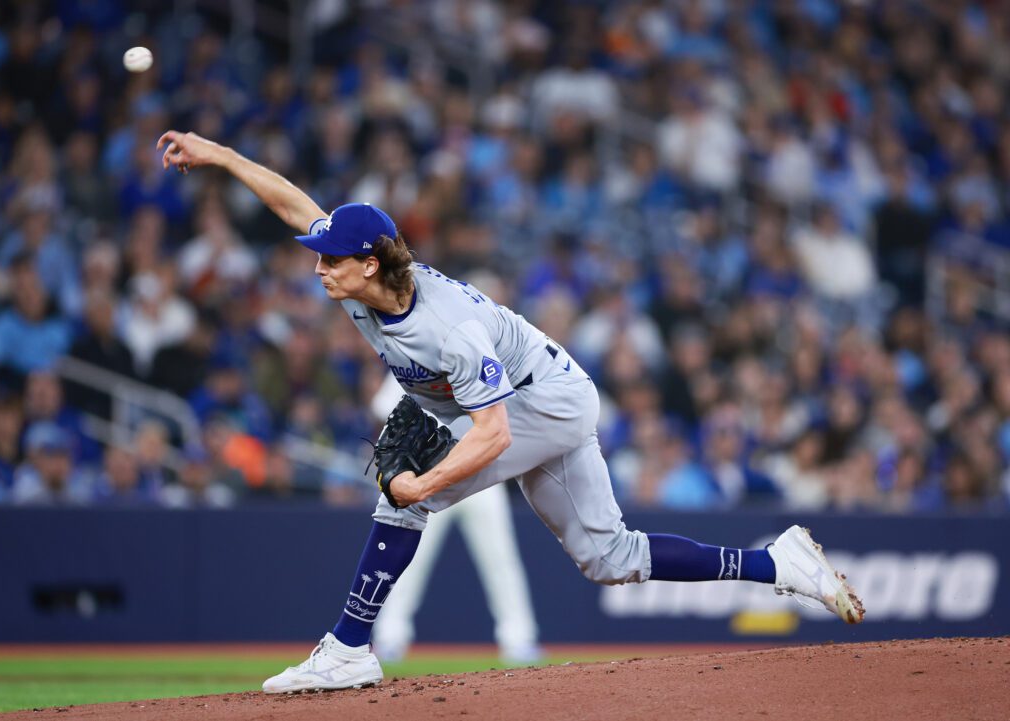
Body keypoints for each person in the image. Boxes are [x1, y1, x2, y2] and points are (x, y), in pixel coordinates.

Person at [157, 129, 865, 695]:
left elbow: (492, 432)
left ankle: (346, 645)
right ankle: (777, 561)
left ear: (369, 263)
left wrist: (420, 486)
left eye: (331, 260)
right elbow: (295, 204)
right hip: (545, 391)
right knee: (608, 556)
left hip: (542, 402)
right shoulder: (362, 280)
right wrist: (218, 155)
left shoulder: (447, 329)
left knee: (400, 499)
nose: (318, 268)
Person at [369, 375, 541, 664]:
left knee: (501, 560)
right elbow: (382, 409)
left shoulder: (475, 354)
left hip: (481, 474)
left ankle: (519, 639)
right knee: (412, 560)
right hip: (431, 477)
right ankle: (390, 637)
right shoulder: (414, 361)